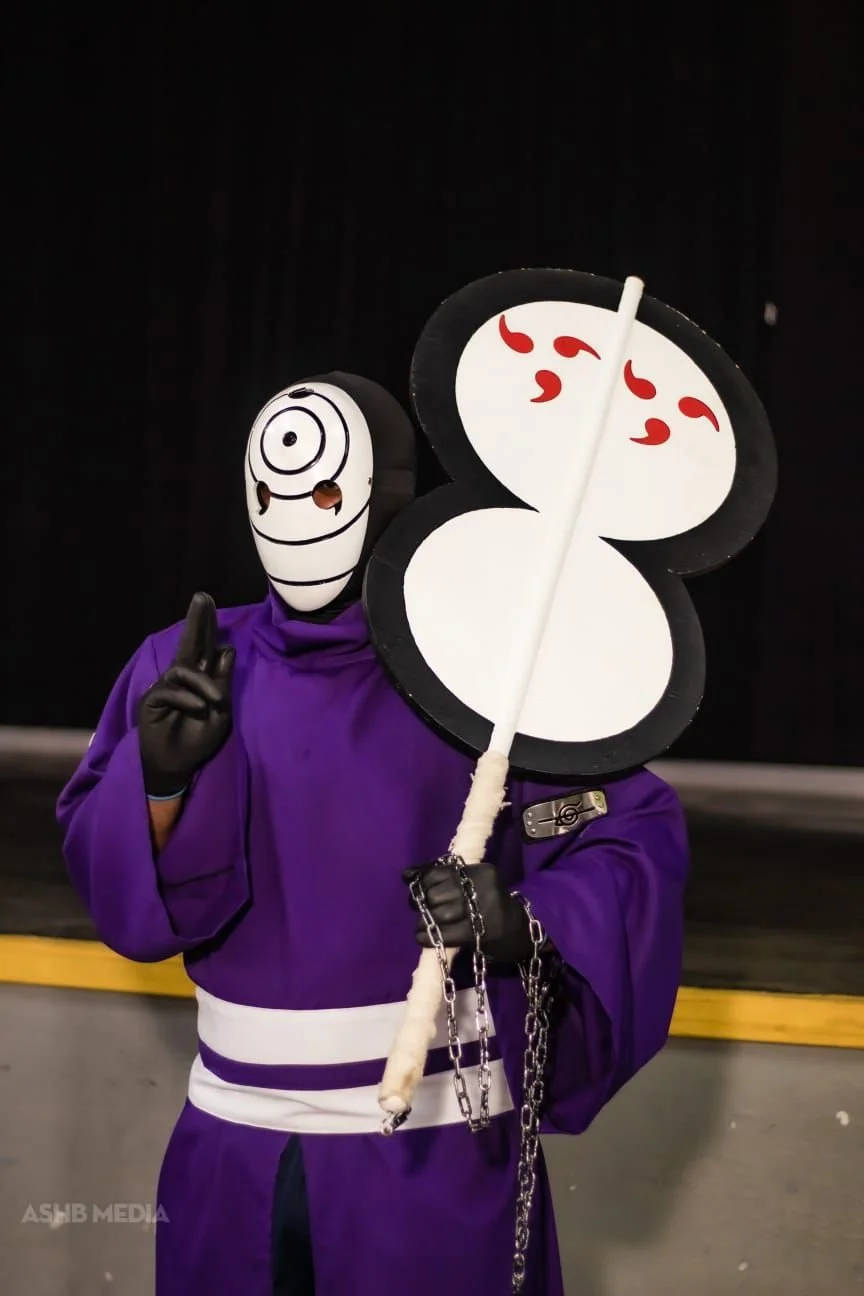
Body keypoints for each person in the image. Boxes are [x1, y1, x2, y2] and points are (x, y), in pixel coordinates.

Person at [57, 372, 689, 1296]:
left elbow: (628, 829)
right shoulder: (187, 664)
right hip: (231, 1152)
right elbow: (127, 903)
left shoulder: (483, 679)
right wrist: (159, 781)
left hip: (428, 1158)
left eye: (322, 492)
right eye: (271, 492)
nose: (293, 517)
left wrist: (524, 917)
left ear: (388, 493)